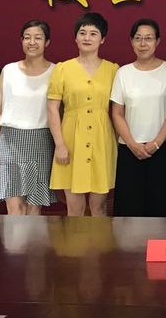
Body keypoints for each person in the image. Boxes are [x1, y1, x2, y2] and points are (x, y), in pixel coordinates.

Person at [47, 12, 119, 216]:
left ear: (102, 39)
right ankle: (74, 240)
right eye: (82, 33)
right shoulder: (62, 69)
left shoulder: (113, 70)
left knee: (99, 206)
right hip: (71, 141)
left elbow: (119, 110)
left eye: (93, 33)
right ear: (75, 37)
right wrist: (60, 144)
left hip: (102, 140)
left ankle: (101, 239)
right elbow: (52, 109)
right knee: (74, 207)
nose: (87, 38)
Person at [0, 20, 57, 215]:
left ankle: (33, 238)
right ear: (21, 41)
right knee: (14, 207)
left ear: (47, 42)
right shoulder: (8, 70)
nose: (32, 42)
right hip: (9, 141)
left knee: (34, 207)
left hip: (41, 141)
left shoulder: (56, 72)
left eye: (38, 38)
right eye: (27, 37)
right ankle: (13, 238)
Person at [110, 18, 166, 217]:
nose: (143, 43)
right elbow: (117, 113)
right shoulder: (123, 73)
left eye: (148, 38)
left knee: (162, 207)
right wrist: (132, 144)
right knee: (129, 208)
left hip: (163, 147)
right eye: (138, 38)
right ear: (131, 41)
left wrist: (156, 143)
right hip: (130, 148)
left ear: (157, 41)